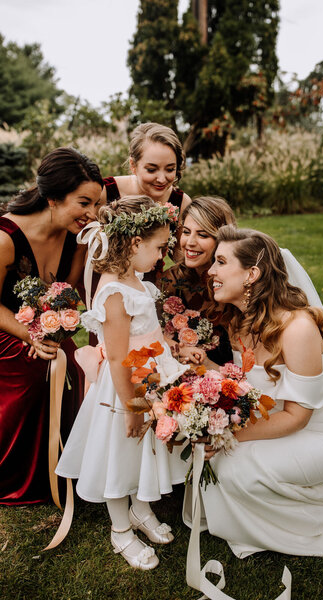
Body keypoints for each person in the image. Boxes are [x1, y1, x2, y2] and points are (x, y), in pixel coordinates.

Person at [184, 225, 323, 560]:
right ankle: (262, 521)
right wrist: (205, 368)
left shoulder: (296, 328)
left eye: (221, 262)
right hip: (278, 420)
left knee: (235, 468)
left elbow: (298, 417)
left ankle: (301, 530)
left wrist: (229, 437)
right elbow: (248, 383)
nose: (210, 271)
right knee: (224, 465)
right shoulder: (239, 321)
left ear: (252, 274)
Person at [56, 196, 189, 571]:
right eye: (160, 247)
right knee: (121, 454)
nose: (162, 255)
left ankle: (141, 510)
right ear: (134, 244)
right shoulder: (114, 292)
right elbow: (115, 357)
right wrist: (133, 408)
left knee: (147, 450)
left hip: (151, 377)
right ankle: (120, 529)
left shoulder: (138, 281)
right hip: (124, 391)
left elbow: (150, 337)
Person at [0, 147, 103, 505]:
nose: (92, 214)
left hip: (47, 326)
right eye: (84, 203)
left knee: (81, 357)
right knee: (36, 368)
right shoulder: (5, 238)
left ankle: (72, 462)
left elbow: (70, 290)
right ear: (53, 198)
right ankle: (19, 473)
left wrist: (55, 329)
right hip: (7, 327)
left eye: (96, 204)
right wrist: (31, 334)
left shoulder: (77, 234)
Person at [101, 122, 191, 281]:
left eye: (170, 169)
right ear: (133, 165)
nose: (162, 179)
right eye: (151, 169)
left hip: (149, 286)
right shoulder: (106, 192)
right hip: (105, 284)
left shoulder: (180, 202)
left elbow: (181, 256)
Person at [159, 196, 236, 366]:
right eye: (186, 232)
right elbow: (146, 334)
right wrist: (176, 348)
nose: (190, 243)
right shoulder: (169, 281)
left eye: (202, 235)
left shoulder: (236, 282)